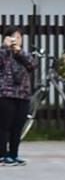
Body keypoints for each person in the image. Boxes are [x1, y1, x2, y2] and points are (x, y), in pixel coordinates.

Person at [0, 27, 37, 166]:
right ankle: (2, 156)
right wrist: (5, 48)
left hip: (23, 95)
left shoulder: (24, 54)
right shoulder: (2, 52)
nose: (16, 40)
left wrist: (18, 52)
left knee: (17, 127)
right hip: (6, 94)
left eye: (19, 37)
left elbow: (33, 65)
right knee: (4, 126)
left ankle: (13, 154)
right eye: (13, 37)